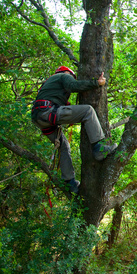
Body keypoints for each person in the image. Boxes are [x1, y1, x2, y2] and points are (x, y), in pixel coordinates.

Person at [31, 66, 116, 194]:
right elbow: (73, 85)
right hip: (47, 112)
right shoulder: (62, 76)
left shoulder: (49, 85)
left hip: (40, 117)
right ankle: (100, 148)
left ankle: (70, 182)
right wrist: (96, 83)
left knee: (63, 145)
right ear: (67, 73)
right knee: (88, 111)